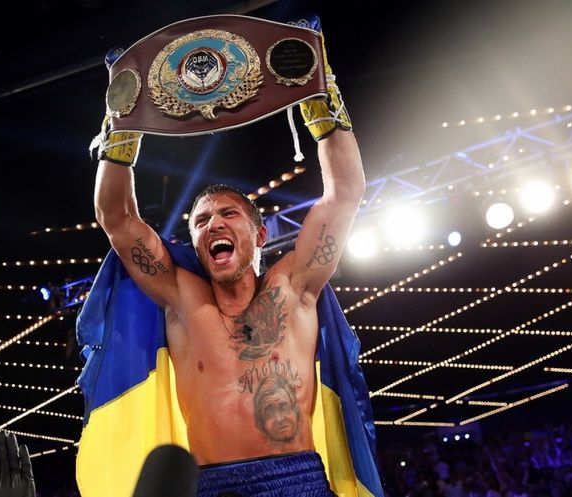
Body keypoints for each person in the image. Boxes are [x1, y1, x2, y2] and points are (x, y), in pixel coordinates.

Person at [87, 15, 366, 497]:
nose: (213, 223)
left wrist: (321, 99)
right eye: (200, 221)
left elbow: (344, 194)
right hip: (214, 485)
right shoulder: (183, 301)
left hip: (296, 479)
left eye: (228, 214)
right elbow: (117, 218)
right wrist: (122, 130)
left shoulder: (294, 289)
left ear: (259, 234)